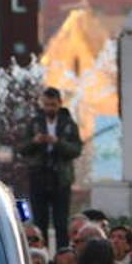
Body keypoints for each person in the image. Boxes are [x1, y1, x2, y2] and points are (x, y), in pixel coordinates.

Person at [18, 87, 83, 251]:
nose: (49, 108)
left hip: (60, 178)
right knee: (40, 221)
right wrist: (35, 142)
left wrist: (57, 143)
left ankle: (63, 254)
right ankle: (41, 254)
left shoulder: (68, 124)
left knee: (61, 222)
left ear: (60, 103)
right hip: (38, 176)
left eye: (53, 105)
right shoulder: (35, 123)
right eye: (46, 105)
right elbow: (22, 148)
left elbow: (76, 149)